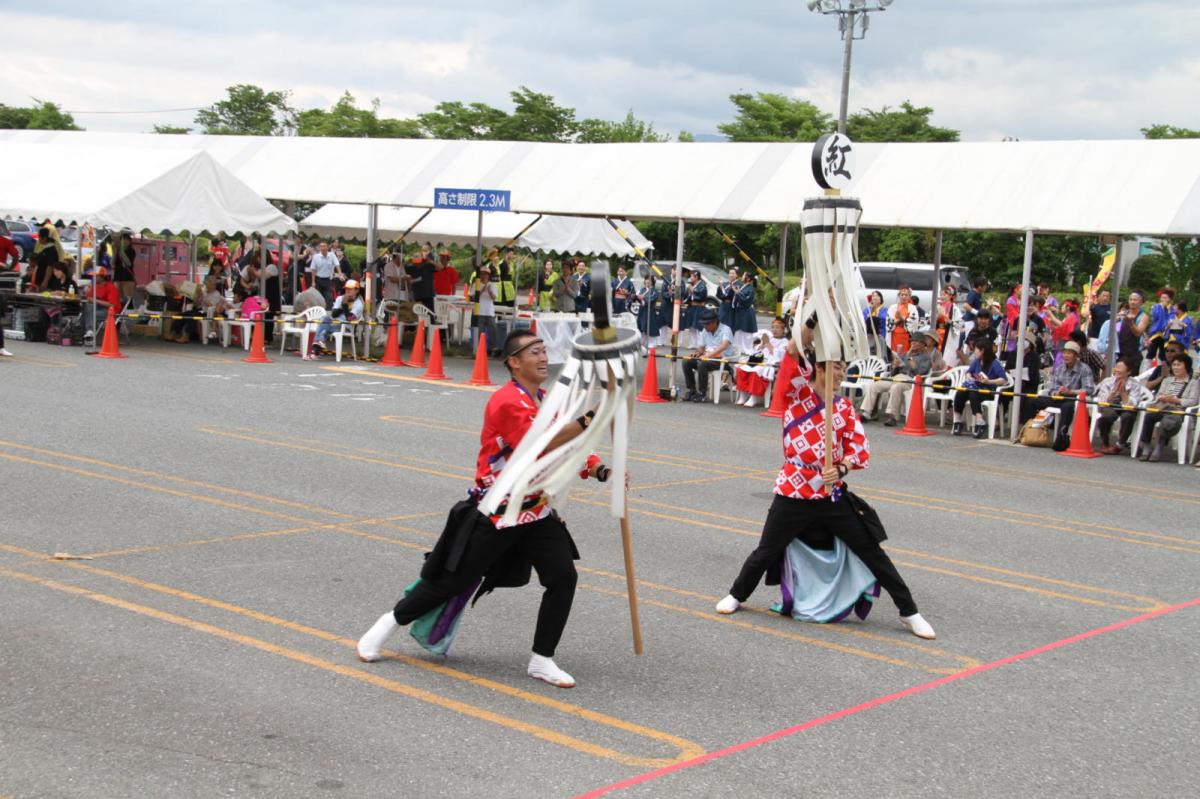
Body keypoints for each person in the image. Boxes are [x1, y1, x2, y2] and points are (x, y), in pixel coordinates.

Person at [355, 329, 608, 688]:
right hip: (498, 511)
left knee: (563, 577)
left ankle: (542, 659)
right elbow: (540, 442)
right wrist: (587, 420)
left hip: (535, 511)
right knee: (452, 581)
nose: (542, 357)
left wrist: (597, 467)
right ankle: (386, 625)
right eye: (533, 351)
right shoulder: (506, 401)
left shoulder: (543, 398)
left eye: (543, 350)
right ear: (513, 362)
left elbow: (565, 448)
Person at [715, 335, 936, 640]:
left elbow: (859, 449)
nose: (842, 373)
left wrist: (842, 467)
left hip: (829, 492)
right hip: (794, 488)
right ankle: (737, 595)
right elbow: (792, 352)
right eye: (836, 367)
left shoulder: (844, 407)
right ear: (819, 369)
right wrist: (809, 320)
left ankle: (909, 611)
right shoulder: (797, 394)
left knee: (871, 550)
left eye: (844, 368)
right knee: (767, 549)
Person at [861, 329, 946, 426]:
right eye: (912, 342)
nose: (913, 344)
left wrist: (915, 367)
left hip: (910, 380)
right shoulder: (906, 354)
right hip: (897, 377)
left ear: (922, 344)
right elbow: (893, 371)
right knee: (875, 385)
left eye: (915, 342)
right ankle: (866, 413)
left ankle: (892, 416)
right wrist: (895, 366)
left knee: (896, 388)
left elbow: (921, 375)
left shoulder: (926, 358)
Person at [1021, 340, 1095, 450]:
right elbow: (1052, 387)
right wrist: (1057, 391)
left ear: (1076, 355)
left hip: (1073, 399)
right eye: (1064, 353)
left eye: (1069, 353)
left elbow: (1089, 389)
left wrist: (1071, 391)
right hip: (1058, 397)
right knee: (1031, 401)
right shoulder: (1060, 368)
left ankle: (1062, 437)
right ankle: (1029, 431)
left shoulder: (1084, 369)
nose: (1066, 356)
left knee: (1067, 407)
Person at [1137, 353, 1198, 462]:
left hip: (1178, 410)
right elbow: (1158, 395)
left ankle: (1159, 445)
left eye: (1179, 365)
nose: (1175, 367)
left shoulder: (1193, 383)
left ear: (1186, 367)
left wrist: (1176, 400)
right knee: (1149, 417)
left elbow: (1193, 401)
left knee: (1168, 421)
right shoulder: (1167, 380)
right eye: (1174, 365)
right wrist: (1162, 398)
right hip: (1163, 407)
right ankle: (1146, 445)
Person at [952, 340, 1007, 439]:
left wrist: (989, 381)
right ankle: (957, 420)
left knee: (974, 394)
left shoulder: (995, 363)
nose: (975, 352)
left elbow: (1003, 379)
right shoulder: (977, 361)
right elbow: (969, 372)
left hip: (989, 390)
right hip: (976, 387)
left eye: (976, 350)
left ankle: (980, 421)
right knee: (960, 392)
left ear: (982, 351)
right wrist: (970, 378)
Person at [734, 317, 788, 408]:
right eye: (773, 327)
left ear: (783, 330)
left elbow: (779, 356)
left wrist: (768, 344)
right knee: (741, 369)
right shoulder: (769, 338)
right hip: (760, 359)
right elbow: (756, 350)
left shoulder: (785, 342)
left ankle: (754, 396)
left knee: (757, 371)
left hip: (772, 363)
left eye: (777, 328)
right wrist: (762, 344)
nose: (774, 330)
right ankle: (743, 394)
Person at [682, 308, 733, 402]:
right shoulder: (705, 331)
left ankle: (702, 393)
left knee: (702, 364)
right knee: (686, 361)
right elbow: (701, 348)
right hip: (707, 358)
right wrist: (697, 353)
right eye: (704, 324)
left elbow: (724, 345)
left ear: (714, 322)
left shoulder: (726, 329)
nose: (705, 326)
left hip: (721, 360)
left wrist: (709, 355)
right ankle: (692, 390)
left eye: (707, 324)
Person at [1095, 358, 1141, 455]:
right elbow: (1102, 402)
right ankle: (1105, 443)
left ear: (1128, 372)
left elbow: (1132, 406)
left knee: (1128, 416)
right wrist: (1113, 392)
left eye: (1120, 368)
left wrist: (1123, 393)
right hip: (1110, 405)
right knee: (1106, 415)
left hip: (1125, 408)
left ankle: (1120, 444)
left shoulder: (1135, 384)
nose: (1117, 370)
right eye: (1116, 367)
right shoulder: (1107, 381)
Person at [313, 279, 363, 356]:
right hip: (334, 322)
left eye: (350, 289)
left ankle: (316, 348)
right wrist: (343, 305)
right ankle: (319, 343)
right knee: (325, 318)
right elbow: (333, 314)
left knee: (323, 327)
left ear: (356, 290)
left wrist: (345, 305)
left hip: (345, 326)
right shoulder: (340, 298)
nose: (347, 291)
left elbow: (349, 319)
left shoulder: (358, 304)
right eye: (346, 288)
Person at [82, 267, 121, 345]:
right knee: (87, 309)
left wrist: (95, 300)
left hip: (110, 311)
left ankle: (89, 332)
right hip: (96, 309)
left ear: (103, 276)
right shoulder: (94, 286)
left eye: (96, 276)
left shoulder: (111, 287)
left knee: (88, 313)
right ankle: (88, 332)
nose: (94, 277)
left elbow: (111, 304)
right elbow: (90, 299)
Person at [1118, 290, 1151, 372]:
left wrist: (1131, 323)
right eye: (1130, 299)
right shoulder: (1122, 314)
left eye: (1135, 300)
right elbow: (1114, 329)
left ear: (1141, 302)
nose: (1132, 302)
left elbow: (1138, 333)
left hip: (1133, 353)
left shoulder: (1143, 317)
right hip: (1119, 350)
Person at [470, 265, 499, 356]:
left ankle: (491, 348)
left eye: (486, 274)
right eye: (482, 274)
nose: (484, 276)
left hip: (489, 312)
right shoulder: (476, 284)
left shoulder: (492, 284)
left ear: (488, 275)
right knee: (480, 332)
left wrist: (489, 291)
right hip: (479, 311)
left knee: (493, 330)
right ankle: (480, 350)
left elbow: (494, 298)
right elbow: (473, 297)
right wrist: (481, 290)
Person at [885, 285, 920, 356]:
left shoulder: (912, 308)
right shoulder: (893, 307)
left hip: (906, 335)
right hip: (895, 335)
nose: (904, 297)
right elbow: (889, 322)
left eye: (906, 295)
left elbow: (913, 322)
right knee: (895, 355)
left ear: (909, 296)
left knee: (905, 355)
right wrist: (901, 319)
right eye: (902, 295)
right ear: (899, 296)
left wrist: (901, 318)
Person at [732, 272, 758, 355]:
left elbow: (746, 301)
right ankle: (738, 349)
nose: (742, 276)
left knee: (746, 331)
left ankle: (746, 349)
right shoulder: (743, 286)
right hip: (740, 311)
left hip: (746, 311)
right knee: (739, 331)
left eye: (744, 275)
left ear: (749, 278)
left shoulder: (751, 288)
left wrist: (737, 292)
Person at [1146, 288, 1175, 362]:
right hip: (1155, 333)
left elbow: (1171, 319)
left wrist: (1166, 310)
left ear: (1169, 299)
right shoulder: (1156, 306)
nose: (1163, 299)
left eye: (1165, 298)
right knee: (1151, 352)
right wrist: (1162, 307)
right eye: (1162, 297)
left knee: (1163, 354)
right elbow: (1155, 316)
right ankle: (1147, 371)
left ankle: (1162, 371)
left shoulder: (1171, 309)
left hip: (1165, 334)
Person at [306, 241, 339, 306]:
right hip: (318, 279)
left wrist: (340, 274)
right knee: (318, 296)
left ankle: (329, 310)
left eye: (324, 246)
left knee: (329, 296)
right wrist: (313, 282)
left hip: (327, 279)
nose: (323, 248)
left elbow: (337, 265)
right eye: (321, 246)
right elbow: (313, 270)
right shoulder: (316, 256)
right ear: (319, 248)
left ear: (327, 247)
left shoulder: (331, 255)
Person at [863, 290, 887, 355]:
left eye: (877, 296)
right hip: (869, 335)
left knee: (880, 351)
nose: (875, 297)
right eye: (873, 296)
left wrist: (876, 313)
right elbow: (864, 320)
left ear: (881, 299)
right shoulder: (866, 310)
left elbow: (883, 319)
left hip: (880, 334)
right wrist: (872, 311)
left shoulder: (884, 309)